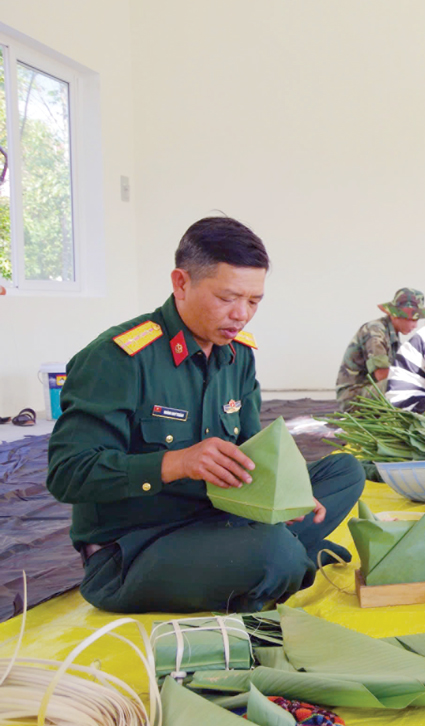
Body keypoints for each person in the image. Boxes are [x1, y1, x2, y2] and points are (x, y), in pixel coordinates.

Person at [46, 217, 366, 614]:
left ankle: (278, 554)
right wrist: (177, 462)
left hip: (222, 520)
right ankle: (291, 557)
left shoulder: (238, 356)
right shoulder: (118, 359)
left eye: (254, 301)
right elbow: (67, 474)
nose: (241, 315)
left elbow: (253, 455)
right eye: (228, 298)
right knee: (274, 553)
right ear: (181, 283)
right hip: (137, 547)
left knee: (346, 472)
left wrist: (288, 495)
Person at [334, 288, 424, 410]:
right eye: (412, 319)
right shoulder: (375, 332)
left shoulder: (392, 336)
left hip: (368, 392)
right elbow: (381, 374)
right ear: (395, 315)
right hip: (353, 398)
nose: (415, 325)